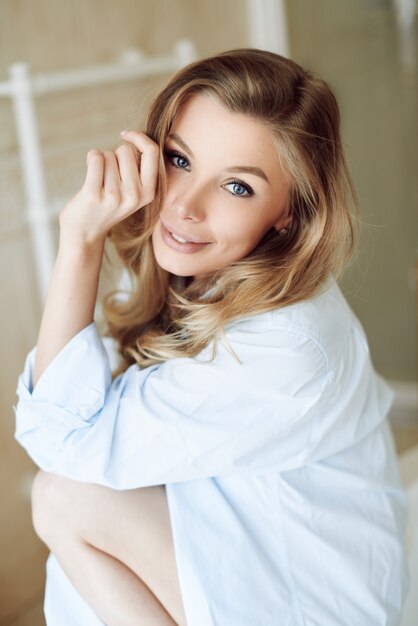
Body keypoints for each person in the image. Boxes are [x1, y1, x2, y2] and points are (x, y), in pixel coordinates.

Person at [15, 48, 409, 626]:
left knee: (64, 497)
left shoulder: (284, 346)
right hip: (267, 540)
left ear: (288, 214)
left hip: (313, 593)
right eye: (178, 160)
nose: (185, 206)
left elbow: (63, 443)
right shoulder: (208, 265)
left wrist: (79, 242)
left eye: (238, 188)